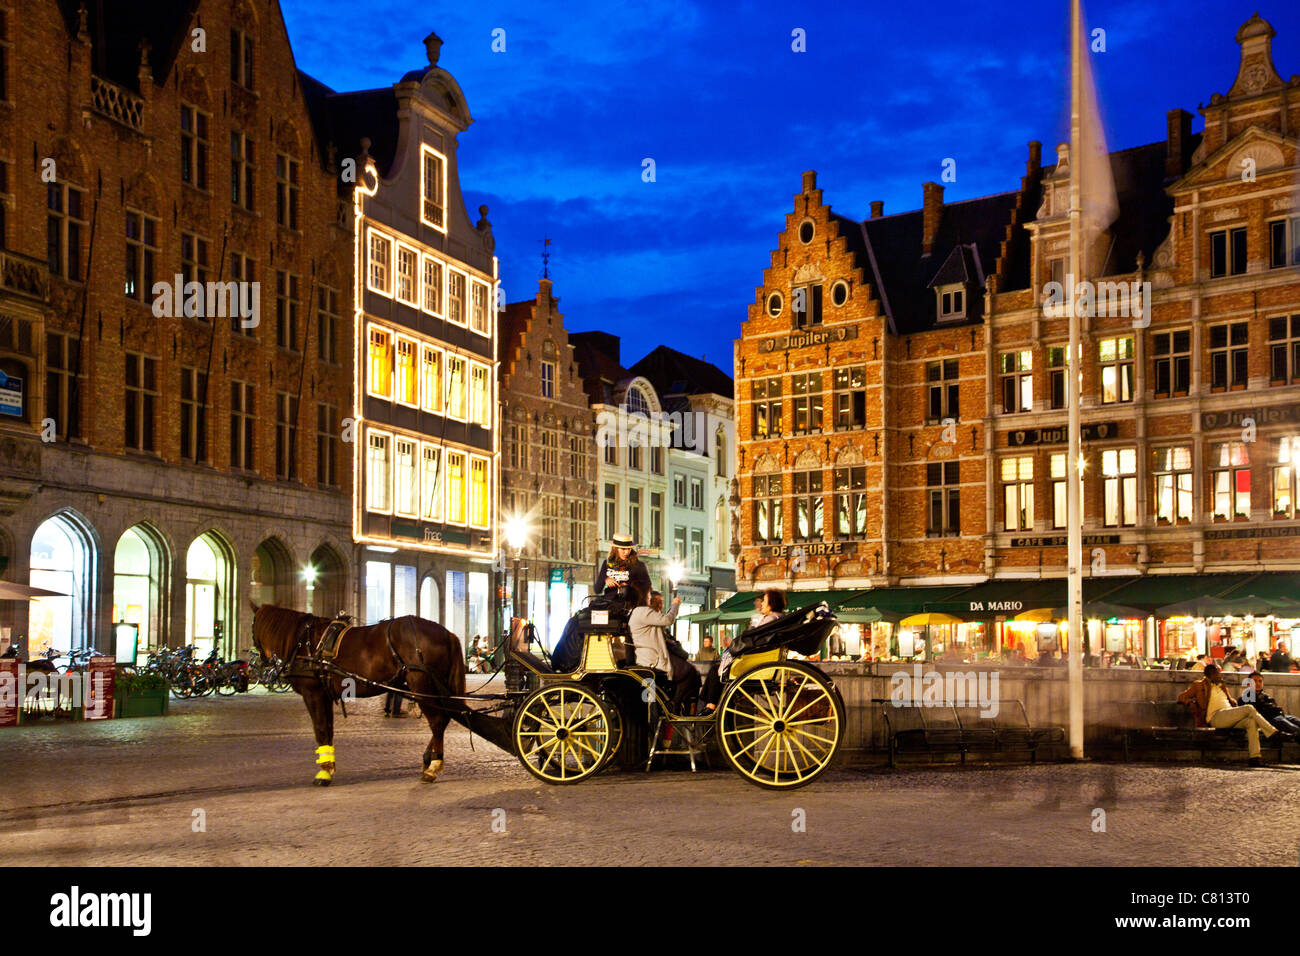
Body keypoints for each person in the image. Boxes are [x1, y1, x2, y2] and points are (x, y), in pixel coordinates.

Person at [699, 589, 785, 712]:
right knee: (715, 670)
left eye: (765, 601)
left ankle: (710, 706)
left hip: (756, 662)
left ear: (772, 603)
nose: (762, 604)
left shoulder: (770, 619)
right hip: (761, 659)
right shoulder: (775, 618)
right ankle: (709, 706)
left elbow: (754, 638)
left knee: (714, 671)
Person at [1178, 663, 1278, 766]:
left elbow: (1229, 699)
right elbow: (1182, 696)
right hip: (1215, 717)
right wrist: (1190, 703)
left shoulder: (1222, 685)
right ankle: (1273, 733)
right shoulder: (1198, 685)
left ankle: (1255, 758)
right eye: (1218, 673)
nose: (1220, 675)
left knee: (1251, 722)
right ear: (1211, 674)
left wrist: (1233, 703)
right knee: (1248, 708)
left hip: (1228, 715)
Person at [594, 532, 652, 609]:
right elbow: (597, 590)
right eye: (623, 549)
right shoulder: (607, 564)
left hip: (629, 606)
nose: (626, 552)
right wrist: (605, 579)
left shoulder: (638, 565)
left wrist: (629, 586)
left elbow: (647, 586)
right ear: (615, 548)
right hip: (609, 606)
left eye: (629, 548)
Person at [1243, 671, 1300, 737]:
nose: (1258, 684)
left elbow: (1275, 706)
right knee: (1295, 729)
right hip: (1270, 719)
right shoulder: (1246, 698)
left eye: (1260, 681)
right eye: (1254, 681)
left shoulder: (1264, 696)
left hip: (1280, 715)